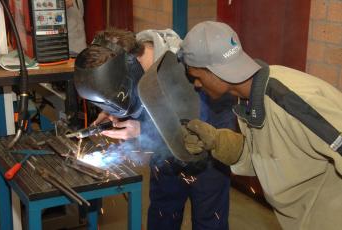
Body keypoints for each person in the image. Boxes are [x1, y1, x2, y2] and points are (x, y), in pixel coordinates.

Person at [180, 21, 342, 230]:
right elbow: (266, 155)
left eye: (197, 77)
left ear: (215, 71)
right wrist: (217, 141)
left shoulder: (289, 99)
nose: (197, 85)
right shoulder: (249, 99)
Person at [74, 28, 237, 230]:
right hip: (167, 150)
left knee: (209, 220)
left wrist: (142, 129)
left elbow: (190, 130)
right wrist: (113, 110)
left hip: (209, 139)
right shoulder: (131, 64)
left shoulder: (182, 68)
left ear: (131, 64)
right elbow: (137, 97)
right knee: (163, 212)